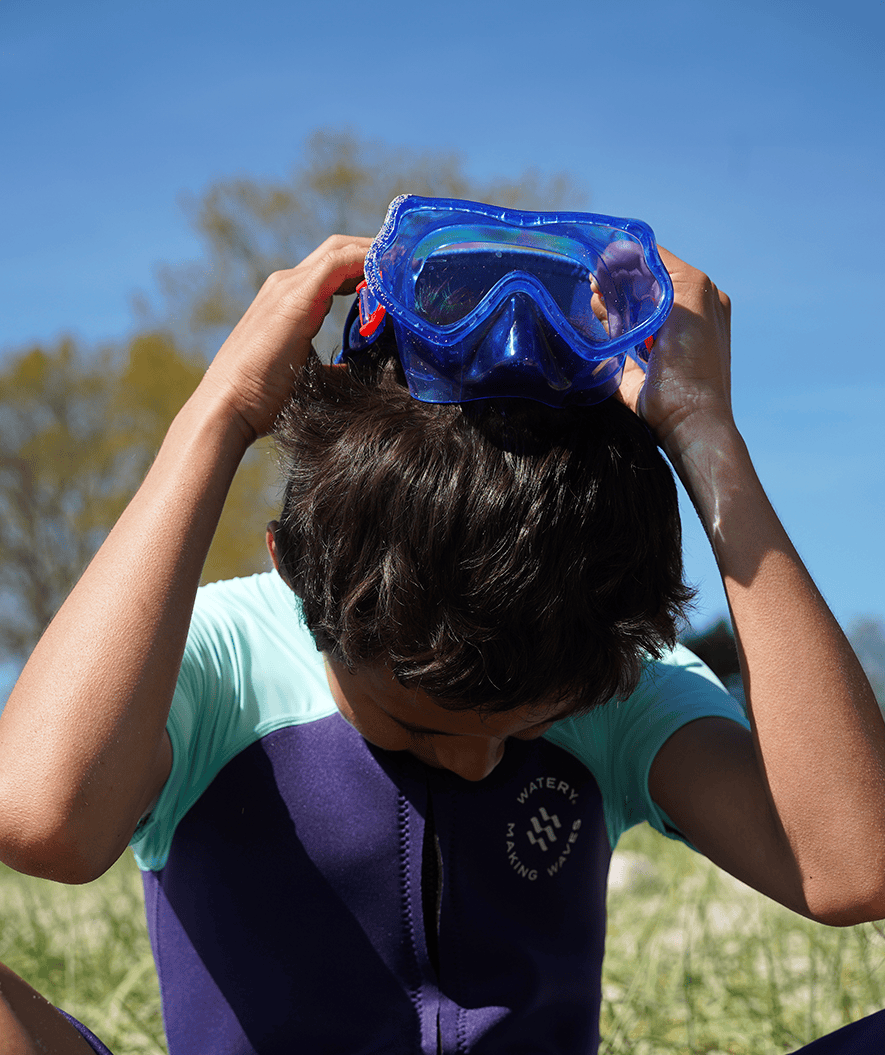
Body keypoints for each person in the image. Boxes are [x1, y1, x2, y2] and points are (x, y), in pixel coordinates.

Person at [0, 198, 884, 1054]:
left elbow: (851, 866)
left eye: (533, 724)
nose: (475, 760)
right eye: (421, 723)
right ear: (293, 568)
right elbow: (44, 820)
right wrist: (221, 410)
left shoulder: (603, 664)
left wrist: (704, 434)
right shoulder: (228, 653)